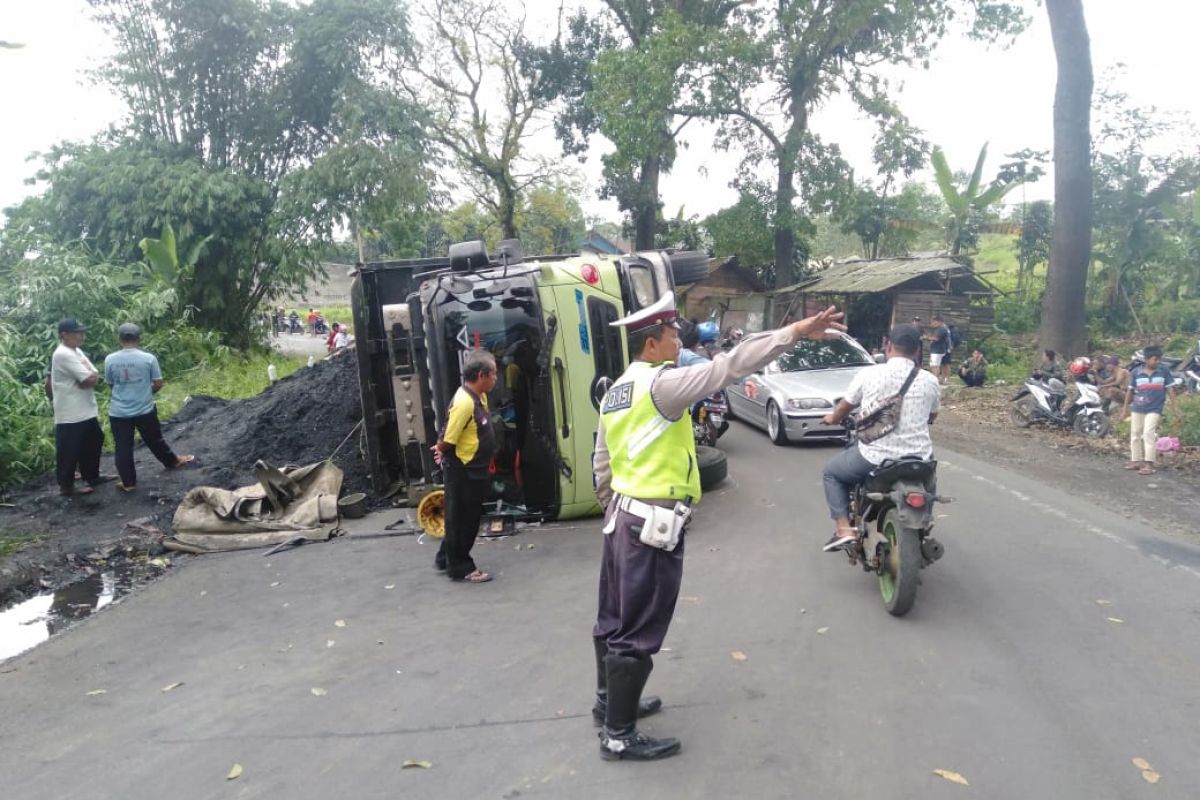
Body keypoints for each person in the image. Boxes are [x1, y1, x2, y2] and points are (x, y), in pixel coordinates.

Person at [591, 293, 845, 761]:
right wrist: (792, 332)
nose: (678, 338)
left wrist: (612, 508)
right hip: (651, 522)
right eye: (672, 333)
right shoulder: (661, 386)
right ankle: (619, 734)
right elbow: (729, 366)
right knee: (639, 625)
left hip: (622, 518)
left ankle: (609, 704)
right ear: (652, 342)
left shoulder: (617, 390)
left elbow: (601, 461)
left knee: (613, 616)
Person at [819, 323, 941, 551]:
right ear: (917, 351)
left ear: (888, 347)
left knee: (832, 473)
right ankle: (925, 524)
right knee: (930, 480)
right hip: (918, 459)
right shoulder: (930, 380)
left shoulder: (870, 374)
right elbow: (933, 415)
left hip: (874, 458)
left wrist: (832, 419)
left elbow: (844, 408)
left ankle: (844, 530)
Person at [431, 349, 498, 584]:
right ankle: (461, 566)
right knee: (464, 520)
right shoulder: (464, 403)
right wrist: (440, 450)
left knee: (459, 517)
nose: (495, 380)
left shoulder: (479, 397)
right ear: (482, 375)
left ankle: (445, 557)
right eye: (493, 375)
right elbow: (449, 437)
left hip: (474, 468)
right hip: (463, 470)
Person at [103, 323, 195, 491]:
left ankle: (128, 483)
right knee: (155, 439)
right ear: (139, 339)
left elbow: (111, 383)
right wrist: (145, 392)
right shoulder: (148, 359)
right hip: (144, 409)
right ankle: (172, 461)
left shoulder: (110, 359)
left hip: (119, 412)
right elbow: (158, 383)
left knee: (123, 447)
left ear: (119, 339)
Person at [47, 319, 104, 496]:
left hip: (85, 408)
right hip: (70, 412)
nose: (82, 336)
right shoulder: (63, 353)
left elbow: (94, 375)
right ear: (64, 335)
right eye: (78, 333)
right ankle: (66, 486)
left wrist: (89, 378)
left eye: (83, 332)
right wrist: (88, 378)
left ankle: (91, 476)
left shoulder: (75, 350)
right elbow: (88, 379)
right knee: (69, 449)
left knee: (94, 440)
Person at [1120, 345, 1180, 475]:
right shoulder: (1136, 372)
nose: (1158, 362)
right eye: (1155, 359)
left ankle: (1149, 463)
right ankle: (1136, 461)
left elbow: (1170, 390)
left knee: (1148, 433)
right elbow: (1130, 392)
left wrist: (1176, 408)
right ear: (1146, 359)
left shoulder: (1164, 371)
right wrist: (1125, 409)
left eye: (1159, 359)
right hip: (1137, 407)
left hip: (1155, 408)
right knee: (1135, 434)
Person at [926, 314, 951, 383]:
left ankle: (935, 380)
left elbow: (936, 338)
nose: (932, 323)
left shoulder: (941, 329)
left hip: (937, 350)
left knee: (934, 366)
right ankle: (938, 379)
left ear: (939, 321)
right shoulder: (941, 329)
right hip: (939, 350)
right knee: (936, 365)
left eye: (934, 322)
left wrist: (926, 337)